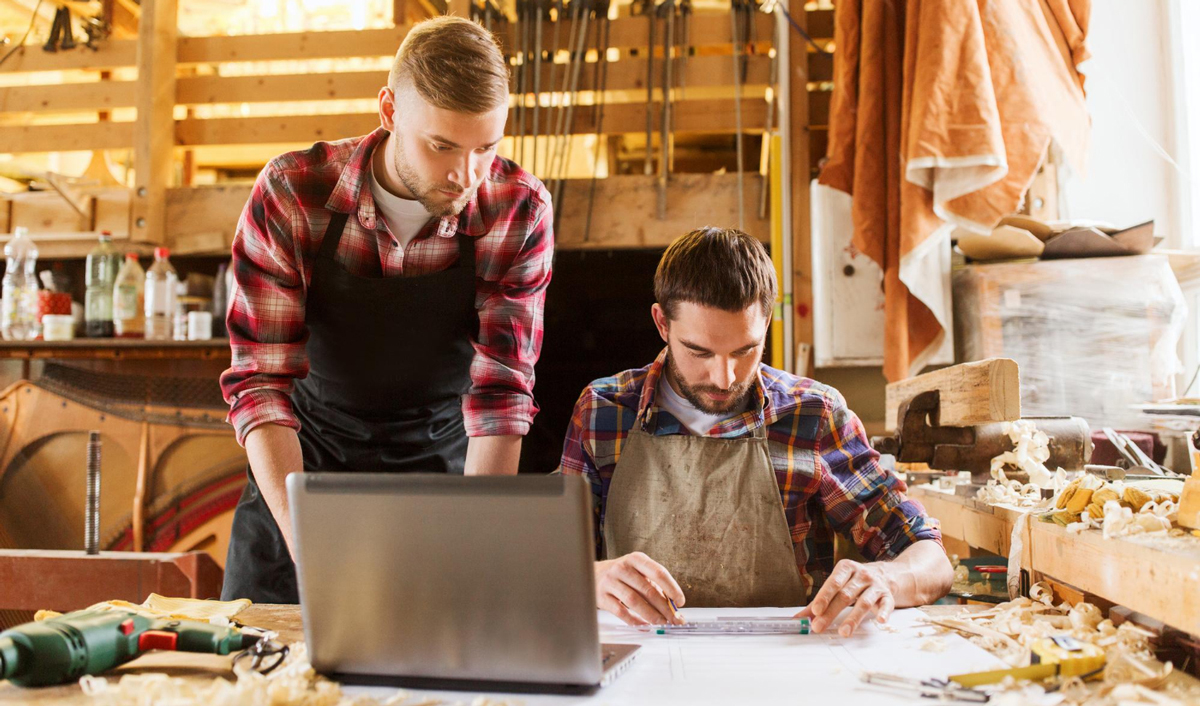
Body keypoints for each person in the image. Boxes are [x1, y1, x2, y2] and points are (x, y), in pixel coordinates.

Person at [219, 16, 553, 603]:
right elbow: (260, 386)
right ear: (390, 111)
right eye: (441, 145)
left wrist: (477, 544)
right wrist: (310, 545)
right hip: (299, 479)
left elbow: (501, 393)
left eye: (486, 148)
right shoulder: (291, 192)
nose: (464, 175)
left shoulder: (518, 209)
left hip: (441, 488)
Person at [558, 227, 951, 636]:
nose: (724, 378)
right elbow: (545, 562)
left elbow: (929, 556)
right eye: (699, 351)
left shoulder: (813, 415)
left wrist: (887, 578)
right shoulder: (604, 411)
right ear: (662, 323)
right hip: (639, 662)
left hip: (783, 665)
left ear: (767, 321)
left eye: (745, 350)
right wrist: (592, 576)